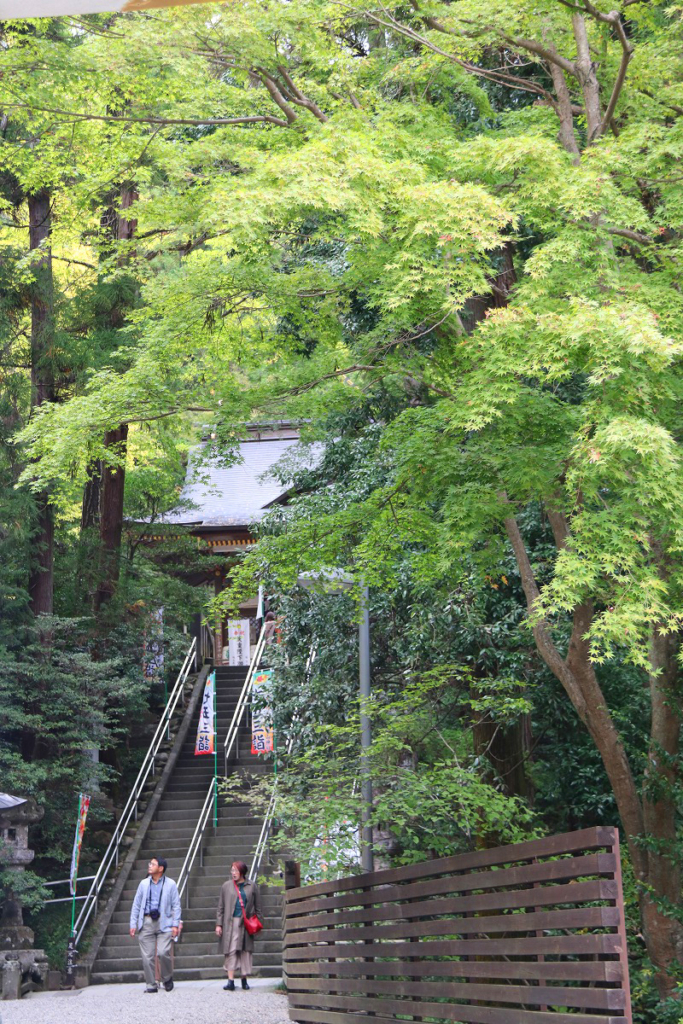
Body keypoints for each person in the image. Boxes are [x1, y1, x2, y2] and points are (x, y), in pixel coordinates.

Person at [129, 856, 181, 993]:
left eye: (153, 864)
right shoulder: (143, 884)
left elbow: (176, 905)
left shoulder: (170, 884)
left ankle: (167, 977)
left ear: (161, 868)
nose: (149, 866)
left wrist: (175, 924)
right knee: (147, 956)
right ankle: (151, 984)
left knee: (163, 952)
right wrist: (133, 923)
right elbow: (136, 904)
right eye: (149, 863)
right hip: (146, 922)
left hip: (165, 922)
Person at [216, 861, 261, 991]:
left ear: (242, 872)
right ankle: (230, 980)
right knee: (230, 950)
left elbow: (258, 907)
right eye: (232, 870)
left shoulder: (252, 886)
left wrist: (258, 924)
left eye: (236, 871)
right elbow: (221, 907)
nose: (233, 873)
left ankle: (244, 979)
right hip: (230, 923)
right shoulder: (226, 886)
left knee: (245, 951)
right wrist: (219, 924)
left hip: (245, 924)